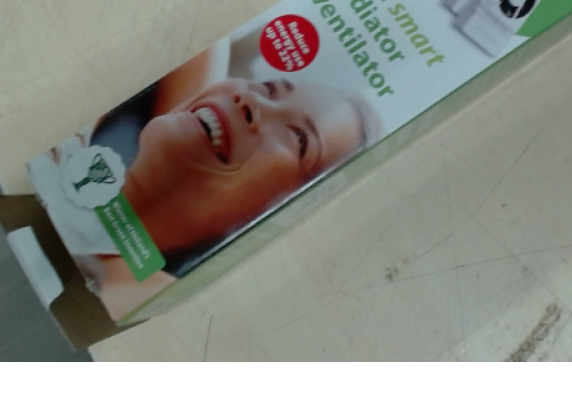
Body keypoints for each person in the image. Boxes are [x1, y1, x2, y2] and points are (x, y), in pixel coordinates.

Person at [42, 38, 381, 318]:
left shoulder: (129, 292)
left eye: (298, 139)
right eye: (268, 88)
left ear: (276, 213)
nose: (249, 100)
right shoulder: (73, 142)